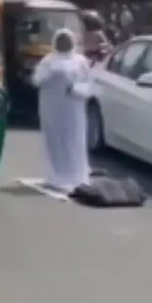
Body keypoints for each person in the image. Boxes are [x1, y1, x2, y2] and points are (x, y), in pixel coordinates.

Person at [31, 28, 92, 193]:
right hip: (52, 108)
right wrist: (49, 75)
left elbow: (88, 84)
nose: (64, 44)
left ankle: (76, 175)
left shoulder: (80, 61)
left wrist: (76, 89)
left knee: (74, 140)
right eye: (61, 41)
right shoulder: (48, 61)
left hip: (73, 109)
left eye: (67, 40)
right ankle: (56, 176)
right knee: (55, 141)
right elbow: (36, 80)